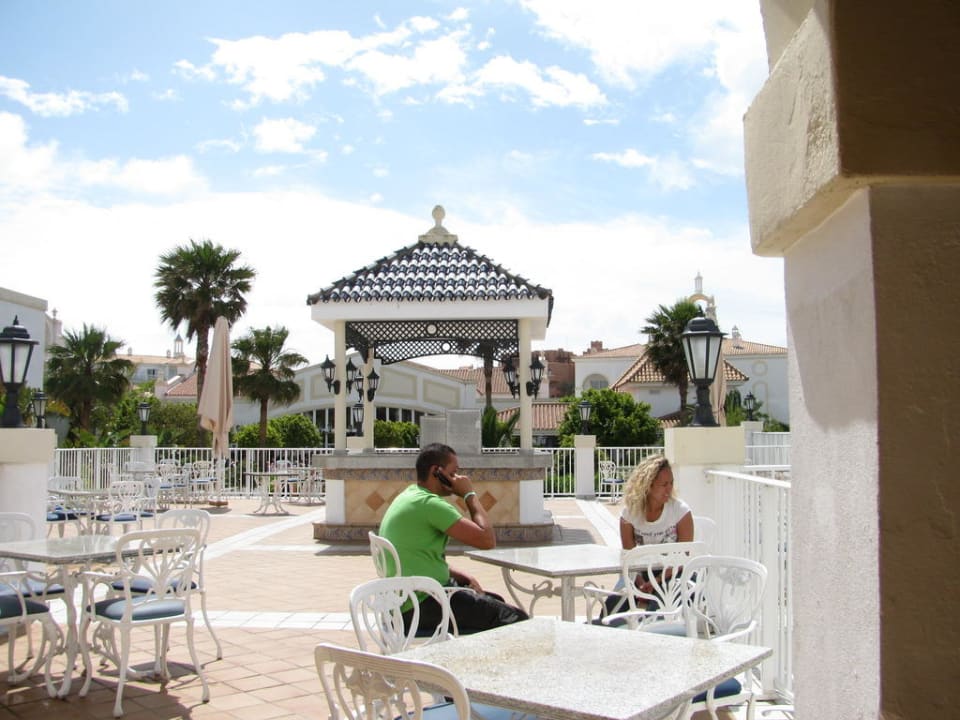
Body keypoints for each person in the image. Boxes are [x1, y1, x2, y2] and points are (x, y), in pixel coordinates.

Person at [378, 442, 529, 634]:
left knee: (495, 602)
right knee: (517, 619)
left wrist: (462, 576)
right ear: (436, 471)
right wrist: (469, 494)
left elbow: (419, 558)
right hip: (422, 605)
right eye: (453, 472)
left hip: (407, 603)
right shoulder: (429, 504)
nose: (458, 478)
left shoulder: (409, 496)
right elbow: (486, 540)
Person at [605, 454, 694, 616]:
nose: (669, 489)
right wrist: (641, 582)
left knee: (657, 609)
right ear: (648, 485)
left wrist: (656, 582)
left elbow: (683, 558)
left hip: (674, 573)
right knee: (612, 606)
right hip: (640, 573)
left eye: (671, 483)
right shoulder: (630, 514)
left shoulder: (681, 512)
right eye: (664, 484)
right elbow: (629, 556)